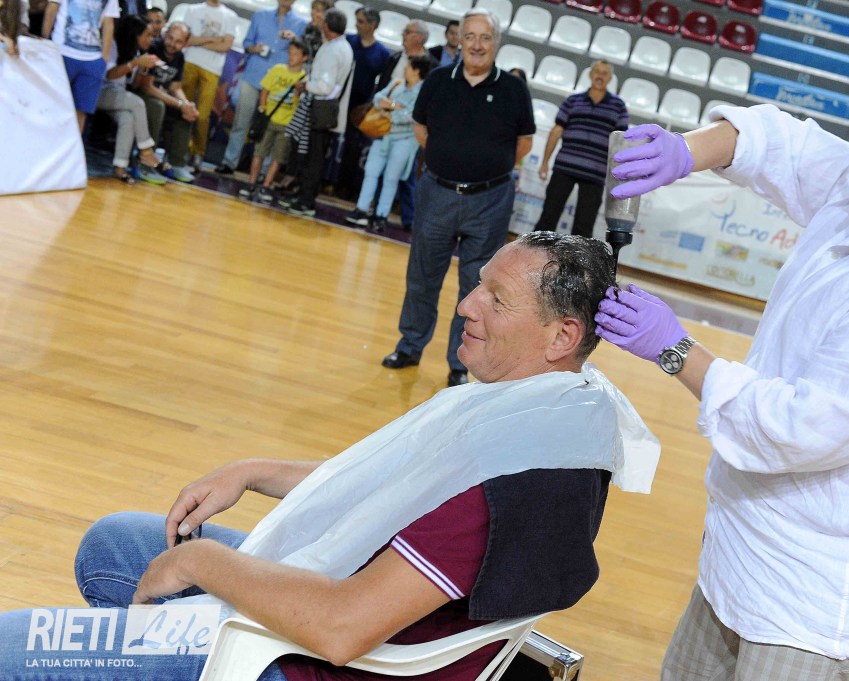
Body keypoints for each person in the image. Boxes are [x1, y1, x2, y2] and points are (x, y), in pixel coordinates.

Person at [0, 232, 659, 681]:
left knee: (13, 647)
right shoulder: (550, 413)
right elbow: (386, 485)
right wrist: (251, 471)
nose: (466, 304)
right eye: (478, 285)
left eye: (495, 297)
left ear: (561, 335)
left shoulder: (510, 480)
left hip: (305, 658)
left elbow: (342, 627)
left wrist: (201, 562)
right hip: (358, 598)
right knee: (113, 543)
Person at [594, 68, 849, 680]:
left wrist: (675, 349)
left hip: (815, 602)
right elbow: (781, 144)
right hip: (741, 552)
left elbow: (801, 428)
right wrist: (686, 151)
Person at [381, 8, 534, 387]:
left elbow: (524, 143)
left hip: (490, 201)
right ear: (459, 40)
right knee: (422, 277)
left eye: (485, 37)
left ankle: (459, 363)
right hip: (437, 194)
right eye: (470, 36)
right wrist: (449, 161)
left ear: (496, 43)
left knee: (477, 288)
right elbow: (420, 129)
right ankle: (410, 346)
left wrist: (486, 170)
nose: (477, 45)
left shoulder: (514, 89)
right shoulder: (437, 80)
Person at [534, 60, 628, 238]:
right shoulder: (572, 100)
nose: (600, 76)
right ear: (590, 74)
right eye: (597, 71)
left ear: (610, 78)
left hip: (595, 173)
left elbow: (620, 142)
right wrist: (545, 162)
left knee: (583, 230)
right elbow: (556, 131)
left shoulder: (619, 106)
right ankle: (535, 254)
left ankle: (578, 259)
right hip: (564, 168)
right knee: (547, 219)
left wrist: (616, 176)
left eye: (604, 73)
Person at [217, 0, 307, 175]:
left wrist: (294, 39)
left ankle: (263, 172)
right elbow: (246, 43)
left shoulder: (301, 24)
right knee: (241, 121)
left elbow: (304, 51)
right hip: (253, 75)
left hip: (279, 83)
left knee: (271, 127)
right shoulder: (260, 15)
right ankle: (229, 162)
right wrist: (254, 48)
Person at [346, 55, 430, 233]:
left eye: (408, 66)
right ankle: (361, 210)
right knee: (371, 171)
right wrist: (393, 106)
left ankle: (381, 216)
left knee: (391, 178)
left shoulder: (424, 92)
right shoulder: (397, 83)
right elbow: (378, 98)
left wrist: (389, 109)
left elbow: (412, 116)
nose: (405, 69)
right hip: (382, 135)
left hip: (404, 141)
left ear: (416, 71)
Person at [285, 7, 353, 217]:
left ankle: (306, 201)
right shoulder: (343, 47)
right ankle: (304, 195)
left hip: (321, 108)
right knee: (314, 155)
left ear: (327, 26)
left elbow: (325, 86)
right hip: (327, 109)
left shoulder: (333, 50)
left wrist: (305, 86)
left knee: (313, 157)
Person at [94, 13, 167, 185]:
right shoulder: (113, 44)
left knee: (127, 119)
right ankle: (146, 152)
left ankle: (120, 168)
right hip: (99, 90)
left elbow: (134, 85)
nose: (151, 39)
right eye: (147, 35)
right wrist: (135, 63)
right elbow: (109, 75)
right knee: (137, 103)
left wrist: (143, 68)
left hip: (117, 93)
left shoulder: (136, 51)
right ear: (135, 35)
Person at [238, 38, 308, 203]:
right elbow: (265, 90)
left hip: (288, 123)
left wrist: (300, 91)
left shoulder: (305, 78)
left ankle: (266, 185)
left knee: (278, 157)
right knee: (259, 152)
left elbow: (303, 101)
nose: (291, 57)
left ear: (304, 58)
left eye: (296, 54)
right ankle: (251, 183)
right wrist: (263, 109)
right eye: (290, 53)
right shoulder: (277, 69)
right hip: (269, 119)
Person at [334, 5, 390, 202]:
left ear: (372, 25)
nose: (357, 25)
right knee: (326, 140)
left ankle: (344, 187)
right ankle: (320, 179)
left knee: (352, 148)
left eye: (361, 21)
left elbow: (383, 83)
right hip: (337, 100)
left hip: (359, 106)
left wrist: (369, 105)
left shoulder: (382, 53)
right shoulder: (347, 41)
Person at [135, 20, 201, 182]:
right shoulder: (154, 48)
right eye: (170, 38)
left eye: (178, 41)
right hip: (141, 93)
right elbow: (147, 87)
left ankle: (177, 163)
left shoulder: (179, 57)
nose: (172, 44)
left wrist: (186, 104)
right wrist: (179, 104)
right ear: (165, 35)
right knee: (157, 107)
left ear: (185, 43)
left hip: (161, 95)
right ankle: (146, 163)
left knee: (187, 113)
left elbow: (175, 86)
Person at [178, 0, 237, 171]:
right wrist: (212, 39)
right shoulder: (193, 9)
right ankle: (180, 148)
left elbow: (225, 46)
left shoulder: (230, 16)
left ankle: (198, 152)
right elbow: (186, 40)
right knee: (184, 109)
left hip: (212, 69)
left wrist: (199, 41)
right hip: (190, 62)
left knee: (203, 115)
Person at [43, 0, 119, 132]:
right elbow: (52, 8)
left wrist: (104, 59)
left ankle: (73, 145)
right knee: (52, 103)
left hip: (93, 59)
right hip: (61, 52)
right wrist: (44, 42)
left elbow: (108, 22)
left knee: (81, 111)